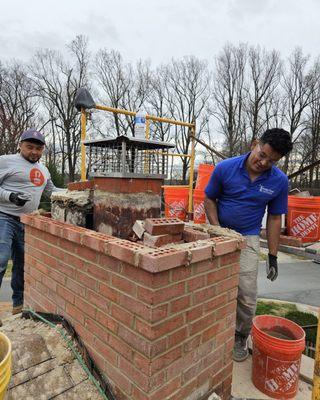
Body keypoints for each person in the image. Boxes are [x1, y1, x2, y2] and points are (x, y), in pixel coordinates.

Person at [204, 128, 293, 362]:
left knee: (246, 293)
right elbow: (209, 199)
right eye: (262, 154)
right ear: (255, 143)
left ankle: (239, 335)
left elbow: (275, 218)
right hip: (217, 232)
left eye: (271, 161)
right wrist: (218, 231)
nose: (263, 162)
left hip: (248, 238)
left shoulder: (279, 181)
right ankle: (208, 328)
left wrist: (273, 255)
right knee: (209, 285)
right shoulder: (225, 168)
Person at [0, 128, 63, 326]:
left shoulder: (44, 170)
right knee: (1, 260)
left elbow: (52, 192)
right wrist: (9, 196)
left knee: (22, 265)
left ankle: (18, 307)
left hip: (27, 221)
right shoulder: (5, 160)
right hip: (4, 216)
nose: (34, 152)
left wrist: (79, 192)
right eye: (29, 147)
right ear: (20, 145)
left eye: (38, 148)